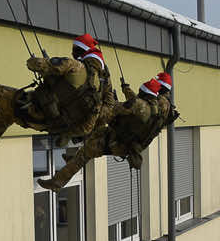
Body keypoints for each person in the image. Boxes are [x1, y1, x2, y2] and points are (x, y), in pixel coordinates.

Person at [0, 34, 110, 148]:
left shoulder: (76, 66)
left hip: (34, 109)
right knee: (8, 113)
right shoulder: (99, 87)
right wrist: (64, 128)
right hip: (47, 124)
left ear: (80, 52)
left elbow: (34, 64)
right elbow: (87, 127)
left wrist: (44, 64)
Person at [37, 78, 167, 191]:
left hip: (118, 142)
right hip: (126, 141)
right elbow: (136, 104)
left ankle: (57, 183)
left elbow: (116, 109)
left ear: (144, 92)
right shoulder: (154, 109)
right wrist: (126, 89)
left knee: (85, 154)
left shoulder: (139, 104)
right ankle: (72, 159)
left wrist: (111, 102)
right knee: (97, 132)